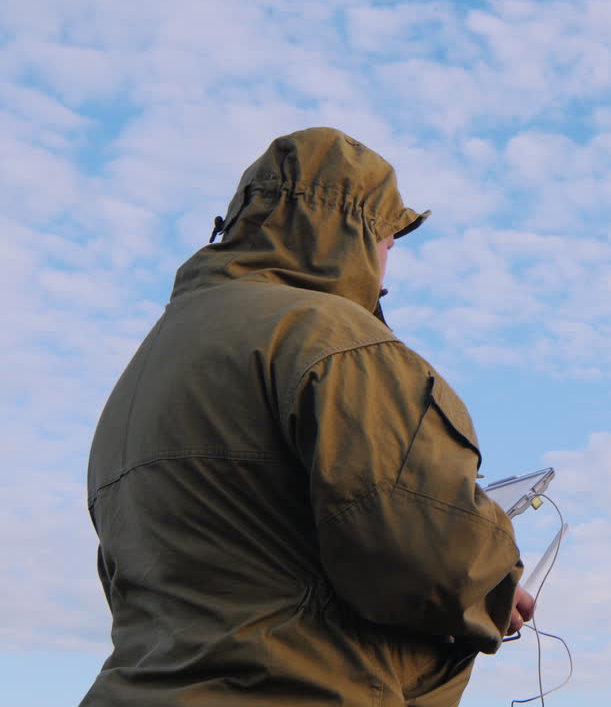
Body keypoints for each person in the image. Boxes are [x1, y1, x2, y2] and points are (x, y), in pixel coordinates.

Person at [83, 127, 533, 707]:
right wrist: (498, 586)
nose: (388, 263)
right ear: (351, 228)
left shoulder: (151, 362)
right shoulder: (331, 337)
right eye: (388, 239)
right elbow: (415, 546)